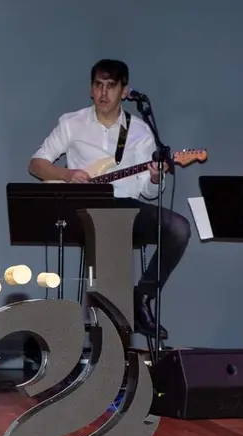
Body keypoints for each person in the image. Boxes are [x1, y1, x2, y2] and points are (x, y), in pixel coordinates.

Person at [28, 58, 191, 339]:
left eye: (111, 86)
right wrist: (67, 175)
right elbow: (36, 164)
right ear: (91, 89)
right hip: (85, 209)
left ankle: (141, 298)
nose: (103, 93)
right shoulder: (72, 123)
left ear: (124, 91)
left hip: (126, 207)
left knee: (179, 228)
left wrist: (154, 178)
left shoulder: (140, 131)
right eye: (98, 85)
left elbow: (147, 192)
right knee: (105, 230)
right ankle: (102, 340)